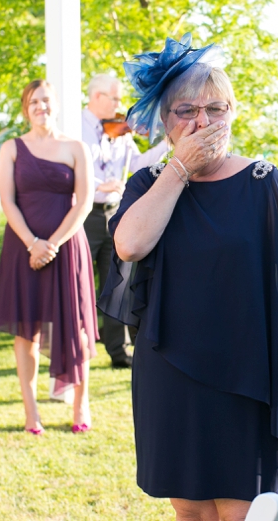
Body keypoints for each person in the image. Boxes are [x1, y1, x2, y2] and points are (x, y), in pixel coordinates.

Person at [100, 35, 278, 521]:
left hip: (250, 374)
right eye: (187, 110)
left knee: (248, 513)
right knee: (192, 514)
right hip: (173, 373)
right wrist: (181, 168)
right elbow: (129, 244)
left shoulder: (265, 184)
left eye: (216, 108)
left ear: (233, 114)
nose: (203, 121)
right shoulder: (149, 184)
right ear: (165, 123)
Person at [0, 79, 98, 434]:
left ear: (56, 105)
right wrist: (33, 243)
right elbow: (7, 200)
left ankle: (81, 405)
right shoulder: (12, 148)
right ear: (26, 108)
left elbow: (83, 203)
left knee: (77, 327)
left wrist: (51, 243)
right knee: (27, 332)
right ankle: (31, 411)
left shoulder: (76, 147)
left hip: (67, 247)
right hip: (23, 249)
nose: (41, 107)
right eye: (34, 101)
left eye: (47, 100)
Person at [81, 74, 167, 369]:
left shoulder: (119, 130)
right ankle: (77, 347)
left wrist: (169, 142)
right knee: (80, 284)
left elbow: (139, 165)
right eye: (115, 99)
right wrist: (97, 185)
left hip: (114, 213)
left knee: (116, 284)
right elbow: (71, 169)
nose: (121, 105)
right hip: (83, 213)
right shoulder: (76, 126)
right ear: (97, 97)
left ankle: (118, 351)